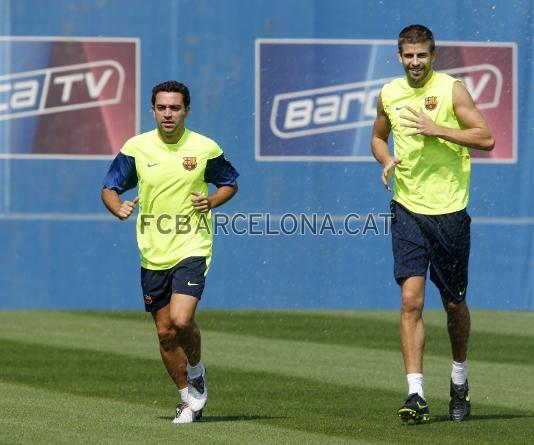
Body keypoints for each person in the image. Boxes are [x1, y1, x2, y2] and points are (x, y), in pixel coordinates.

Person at [371, 25, 494, 424]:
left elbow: (486, 137)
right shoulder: (389, 93)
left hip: (450, 211)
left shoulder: (452, 89)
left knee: (454, 303)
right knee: (411, 301)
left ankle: (459, 379)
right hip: (407, 208)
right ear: (399, 56)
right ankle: (415, 393)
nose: (415, 62)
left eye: (421, 55)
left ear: (433, 55)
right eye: (408, 55)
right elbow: (377, 136)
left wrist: (436, 129)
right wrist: (385, 159)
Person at [101, 80, 239, 424]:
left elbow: (229, 182)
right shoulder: (137, 148)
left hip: (192, 244)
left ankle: (196, 370)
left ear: (186, 111)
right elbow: (109, 187)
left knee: (181, 319)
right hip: (152, 251)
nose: (167, 113)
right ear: (152, 110)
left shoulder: (204, 148)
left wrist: (212, 200)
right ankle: (186, 399)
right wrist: (116, 207)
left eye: (174, 108)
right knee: (164, 332)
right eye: (161, 107)